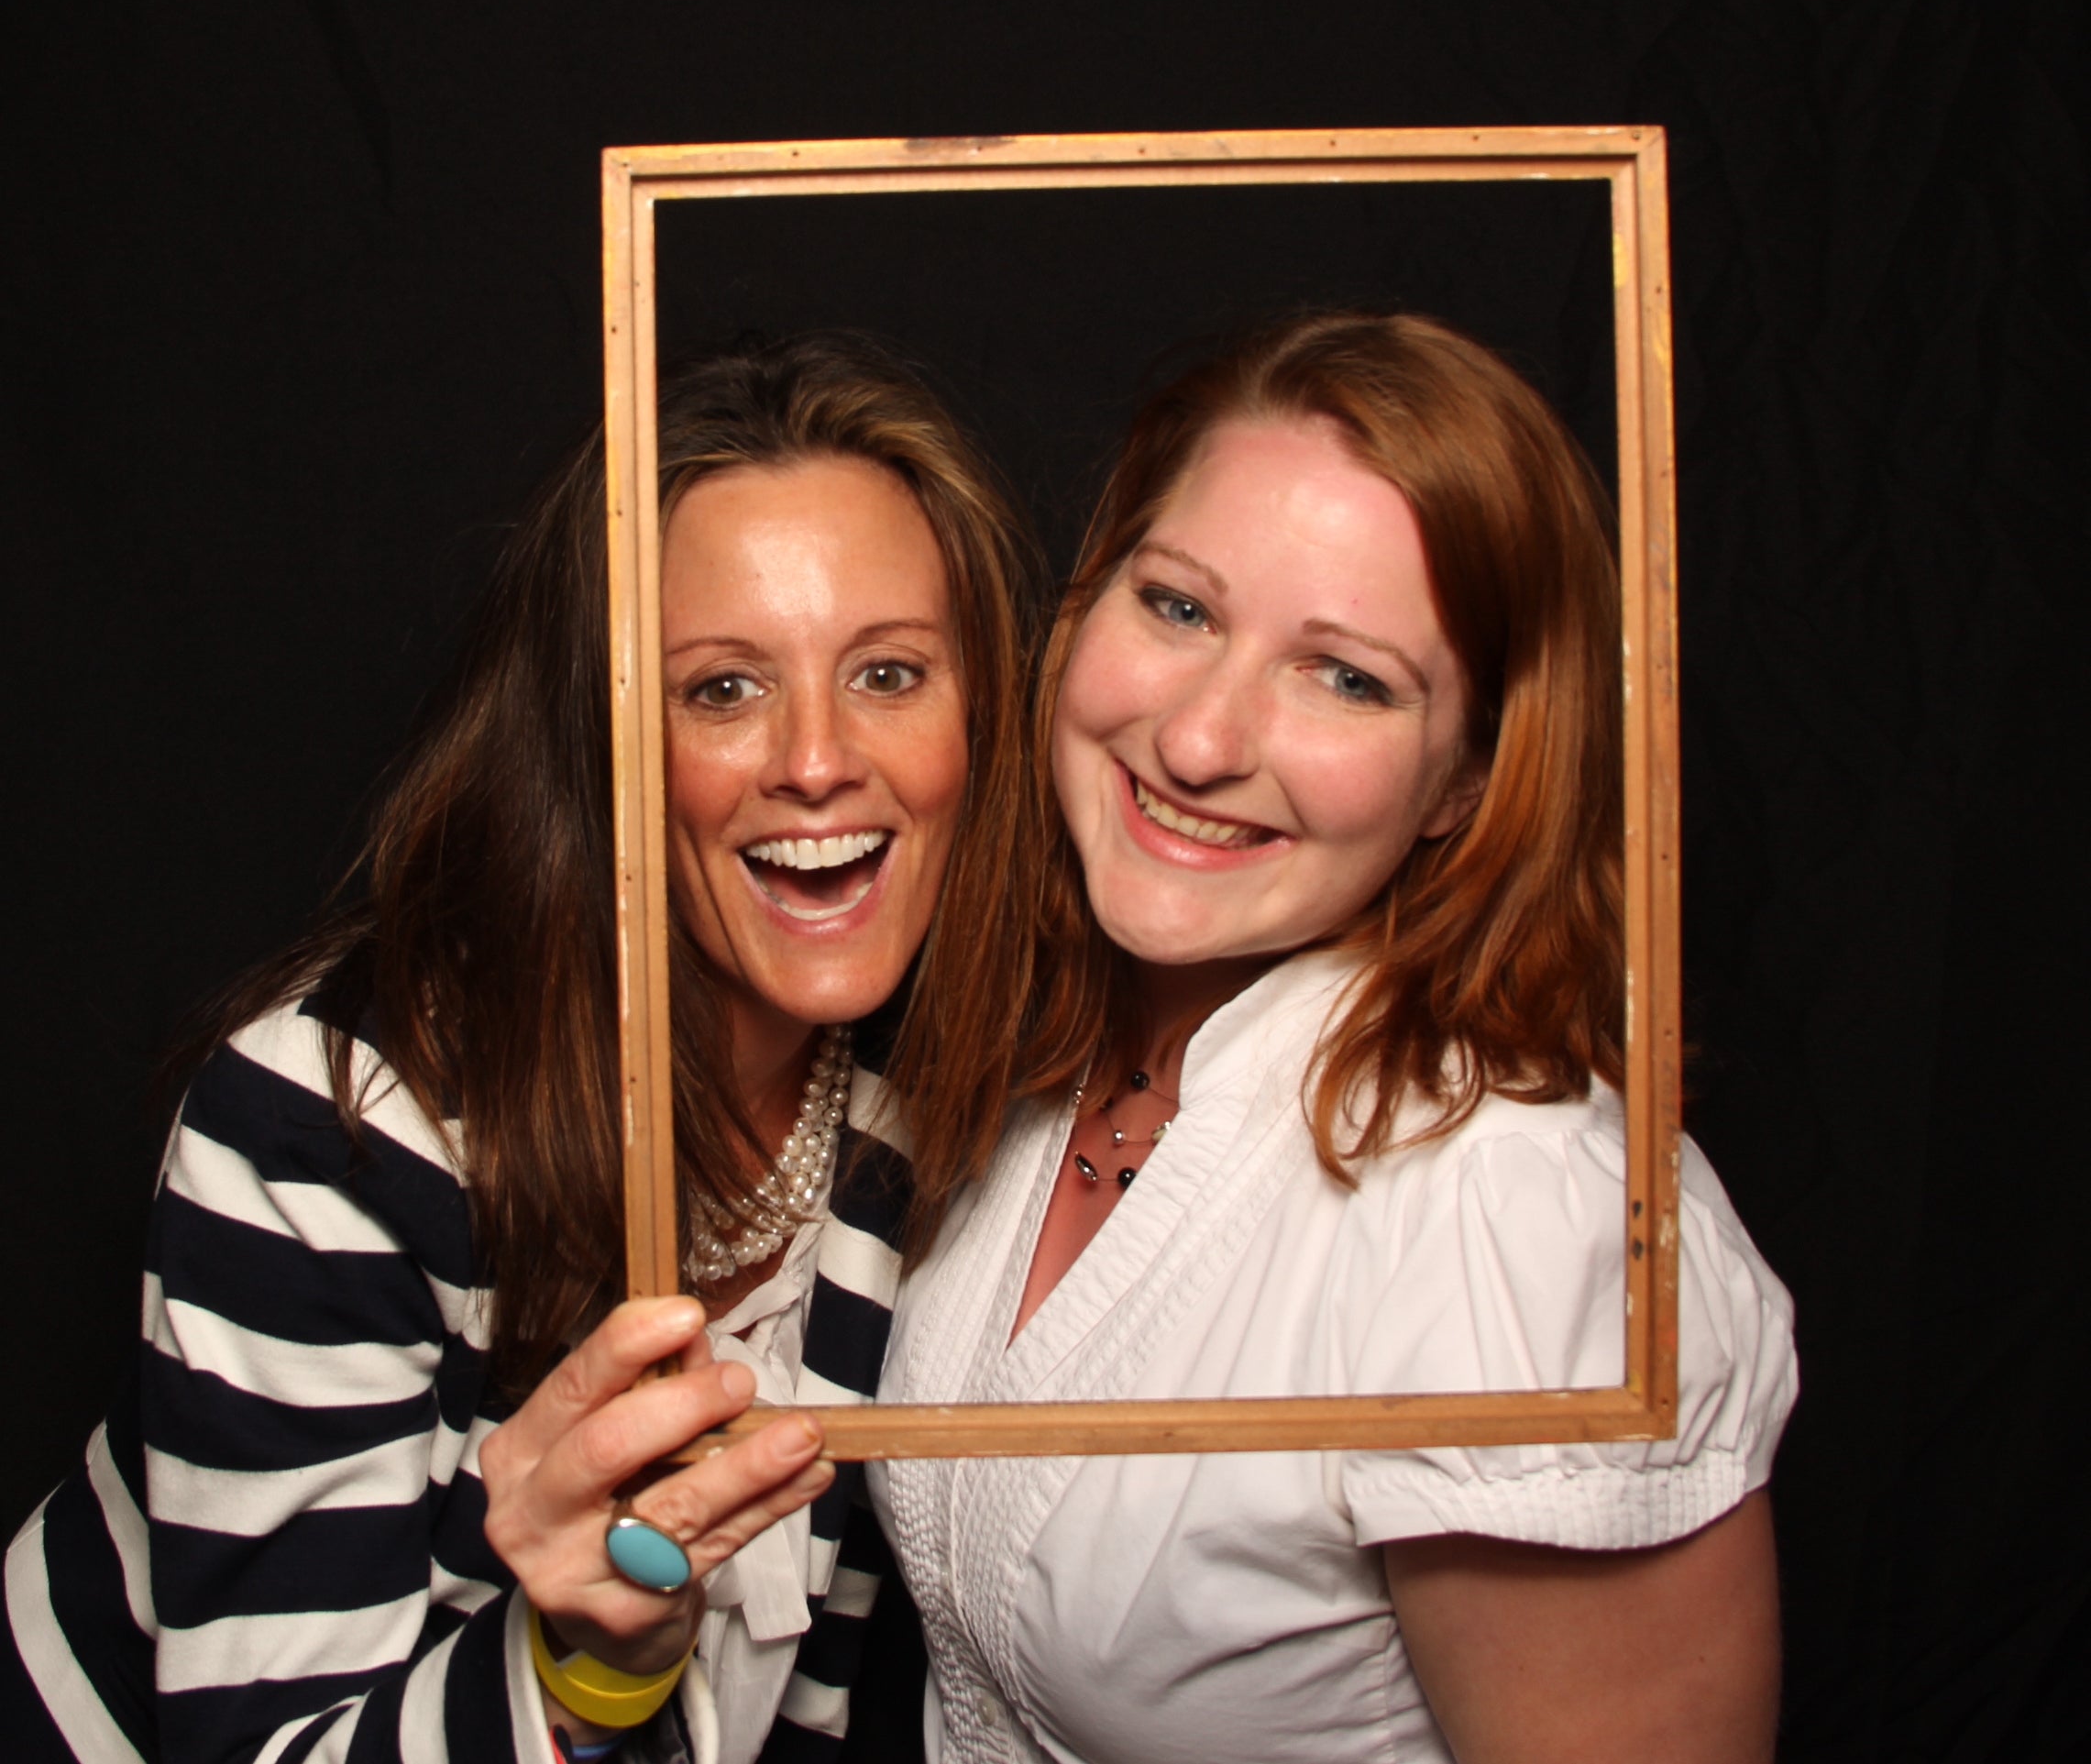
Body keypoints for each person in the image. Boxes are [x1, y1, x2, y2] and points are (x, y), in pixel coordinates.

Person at [6, 335, 1039, 1764]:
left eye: (888, 670)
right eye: (722, 688)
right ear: (597, 736)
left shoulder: (933, 1114)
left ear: (979, 718)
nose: (816, 757)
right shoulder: (328, 1129)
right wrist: (583, 1667)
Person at [874, 310, 1798, 1764]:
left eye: (1346, 677)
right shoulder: (1050, 1058)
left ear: (1466, 780)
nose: (1195, 742)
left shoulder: (1521, 1220)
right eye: (1176, 606)